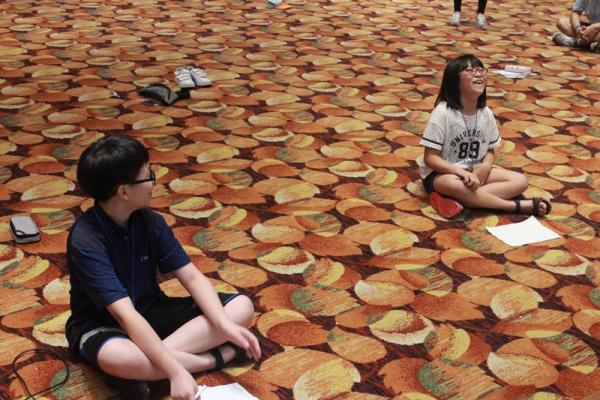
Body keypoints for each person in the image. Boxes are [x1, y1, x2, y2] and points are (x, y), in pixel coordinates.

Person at [65, 135, 261, 400]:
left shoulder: (150, 221)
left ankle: (139, 371)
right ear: (124, 192)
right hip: (102, 324)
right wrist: (175, 372)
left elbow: (192, 277)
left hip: (151, 311)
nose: (153, 183)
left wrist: (224, 325)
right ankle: (211, 358)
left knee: (241, 307)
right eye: (148, 175)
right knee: (121, 357)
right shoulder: (86, 239)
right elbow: (124, 315)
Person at [419, 54, 552, 219]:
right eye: (470, 70)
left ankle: (462, 200)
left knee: (520, 181)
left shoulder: (486, 113)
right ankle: (516, 206)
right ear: (454, 80)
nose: (478, 74)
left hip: (476, 171)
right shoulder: (443, 112)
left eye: (481, 70)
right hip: (443, 174)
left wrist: (486, 166)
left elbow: (490, 150)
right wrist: (460, 173)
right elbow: (430, 159)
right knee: (457, 186)